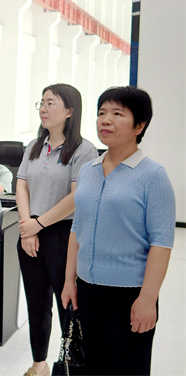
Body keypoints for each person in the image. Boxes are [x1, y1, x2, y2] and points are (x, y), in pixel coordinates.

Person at [61, 86, 175, 376]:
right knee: (93, 366)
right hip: (87, 290)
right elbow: (77, 228)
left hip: (129, 295)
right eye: (101, 113)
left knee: (127, 368)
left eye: (117, 113)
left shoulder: (153, 175)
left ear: (139, 126)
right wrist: (69, 280)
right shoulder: (88, 170)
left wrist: (147, 299)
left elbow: (161, 243)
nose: (106, 120)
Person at [16, 83, 98, 376]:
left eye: (51, 103)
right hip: (30, 232)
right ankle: (39, 363)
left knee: (68, 305)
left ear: (69, 111)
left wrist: (38, 224)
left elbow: (76, 197)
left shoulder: (83, 150)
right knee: (36, 303)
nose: (43, 108)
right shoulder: (34, 146)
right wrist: (28, 227)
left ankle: (71, 365)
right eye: (41, 102)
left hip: (62, 236)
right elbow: (21, 185)